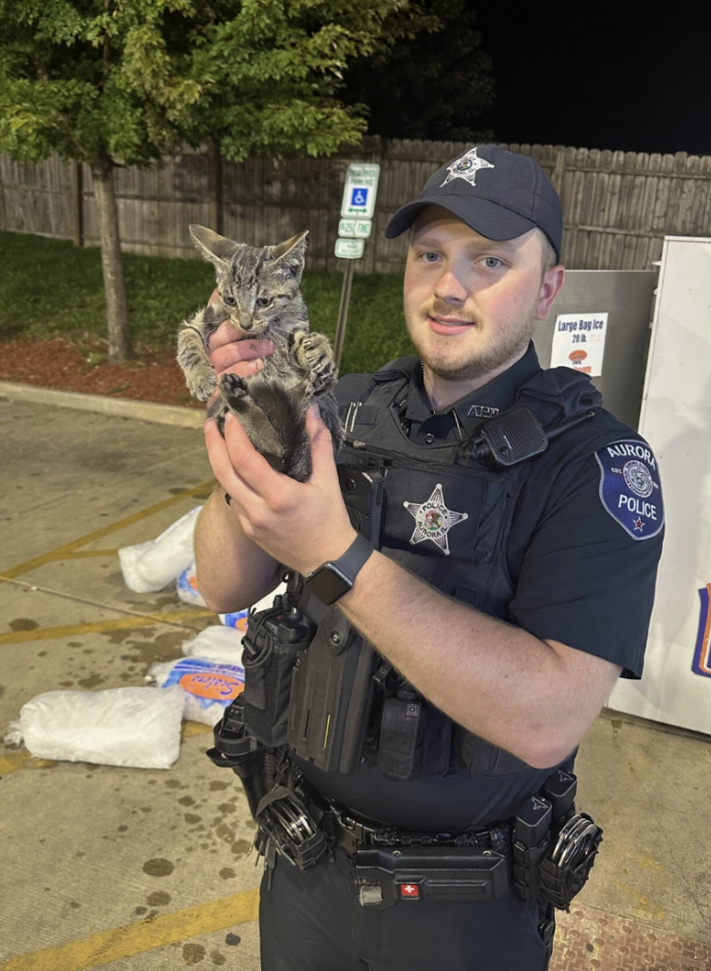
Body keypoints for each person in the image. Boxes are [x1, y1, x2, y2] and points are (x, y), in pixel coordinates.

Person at [194, 144, 664, 971]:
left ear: (549, 288)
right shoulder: (339, 407)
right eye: (431, 255)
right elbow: (219, 580)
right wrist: (250, 418)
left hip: (464, 916)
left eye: (491, 260)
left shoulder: (594, 465)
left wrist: (336, 554)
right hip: (304, 872)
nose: (451, 287)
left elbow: (548, 716)